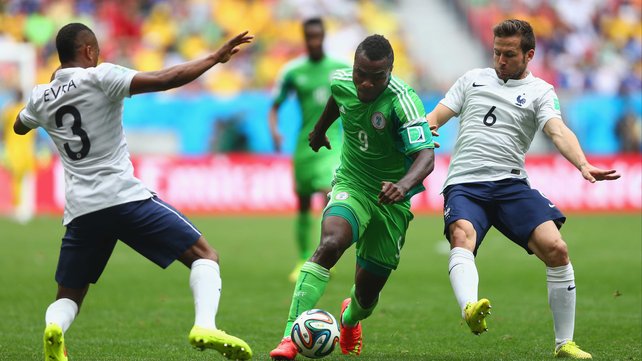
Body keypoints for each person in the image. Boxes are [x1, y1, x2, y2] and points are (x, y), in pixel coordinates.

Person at [13, 23, 254, 361]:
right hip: (124, 197)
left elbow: (19, 126)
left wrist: (51, 91)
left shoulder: (40, 96)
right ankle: (205, 325)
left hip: (82, 210)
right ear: (89, 51)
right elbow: (167, 79)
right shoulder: (101, 77)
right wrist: (214, 58)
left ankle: (55, 329)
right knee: (205, 255)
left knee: (70, 294)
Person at [426, 19, 620, 359]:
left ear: (529, 55)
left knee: (557, 249)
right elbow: (435, 117)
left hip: (511, 184)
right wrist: (424, 129)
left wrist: (583, 164)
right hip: (465, 183)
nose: (500, 60)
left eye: (510, 54)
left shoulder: (541, 92)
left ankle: (565, 343)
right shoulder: (472, 79)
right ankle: (469, 308)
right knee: (462, 235)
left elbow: (557, 131)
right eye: (497, 52)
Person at [269, 34, 435, 360]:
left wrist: (402, 186)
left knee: (367, 293)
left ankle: (349, 320)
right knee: (330, 243)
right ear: (354, 65)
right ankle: (289, 336)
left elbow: (426, 156)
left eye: (377, 77)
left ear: (390, 72)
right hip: (353, 183)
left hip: (392, 200)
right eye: (361, 73)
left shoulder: (404, 101)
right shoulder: (343, 80)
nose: (365, 83)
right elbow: (337, 98)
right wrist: (318, 131)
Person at [268, 17, 349, 282]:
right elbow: (275, 105)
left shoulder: (340, 68)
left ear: (324, 37)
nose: (314, 42)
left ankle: (325, 254)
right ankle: (303, 257)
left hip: (331, 143)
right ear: (304, 38)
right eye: (309, 38)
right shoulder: (293, 71)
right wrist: (275, 130)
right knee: (303, 203)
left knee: (329, 193)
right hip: (303, 145)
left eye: (318, 37)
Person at [2, 89, 36, 223]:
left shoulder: (9, 110)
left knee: (17, 179)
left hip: (14, 149)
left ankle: (20, 208)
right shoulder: (26, 110)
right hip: (25, 149)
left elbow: (4, 129)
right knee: (23, 178)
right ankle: (23, 207)